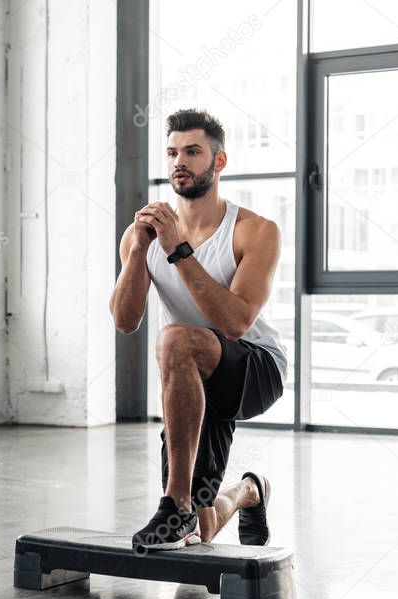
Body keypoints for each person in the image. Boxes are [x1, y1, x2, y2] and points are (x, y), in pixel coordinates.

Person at [109, 109, 287, 551]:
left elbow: (236, 322)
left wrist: (178, 250)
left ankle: (175, 504)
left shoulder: (255, 231)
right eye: (172, 153)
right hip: (189, 372)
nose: (179, 162)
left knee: (174, 338)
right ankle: (250, 490)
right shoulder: (144, 235)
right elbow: (125, 321)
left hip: (254, 367)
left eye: (192, 151)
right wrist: (138, 253)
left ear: (218, 161)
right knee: (201, 529)